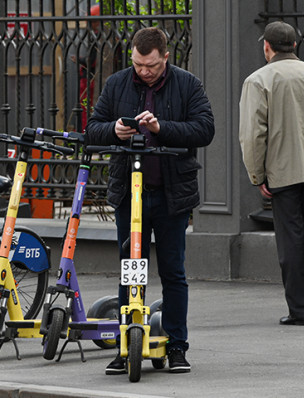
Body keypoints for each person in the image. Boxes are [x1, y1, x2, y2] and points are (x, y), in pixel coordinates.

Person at [85, 27, 215, 374]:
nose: (144, 71)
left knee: (173, 272)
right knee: (131, 270)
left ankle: (176, 346)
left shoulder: (188, 84)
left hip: (172, 196)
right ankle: (126, 345)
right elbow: (92, 129)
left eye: (152, 66)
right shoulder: (117, 84)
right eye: (138, 64)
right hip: (129, 195)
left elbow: (205, 129)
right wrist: (114, 130)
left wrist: (161, 128)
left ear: (165, 57)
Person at [238, 21, 304, 326]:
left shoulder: (258, 80)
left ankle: (300, 309)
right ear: (295, 45)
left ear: (267, 47)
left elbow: (252, 135)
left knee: (290, 237)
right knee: (300, 231)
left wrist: (257, 175)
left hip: (283, 172)